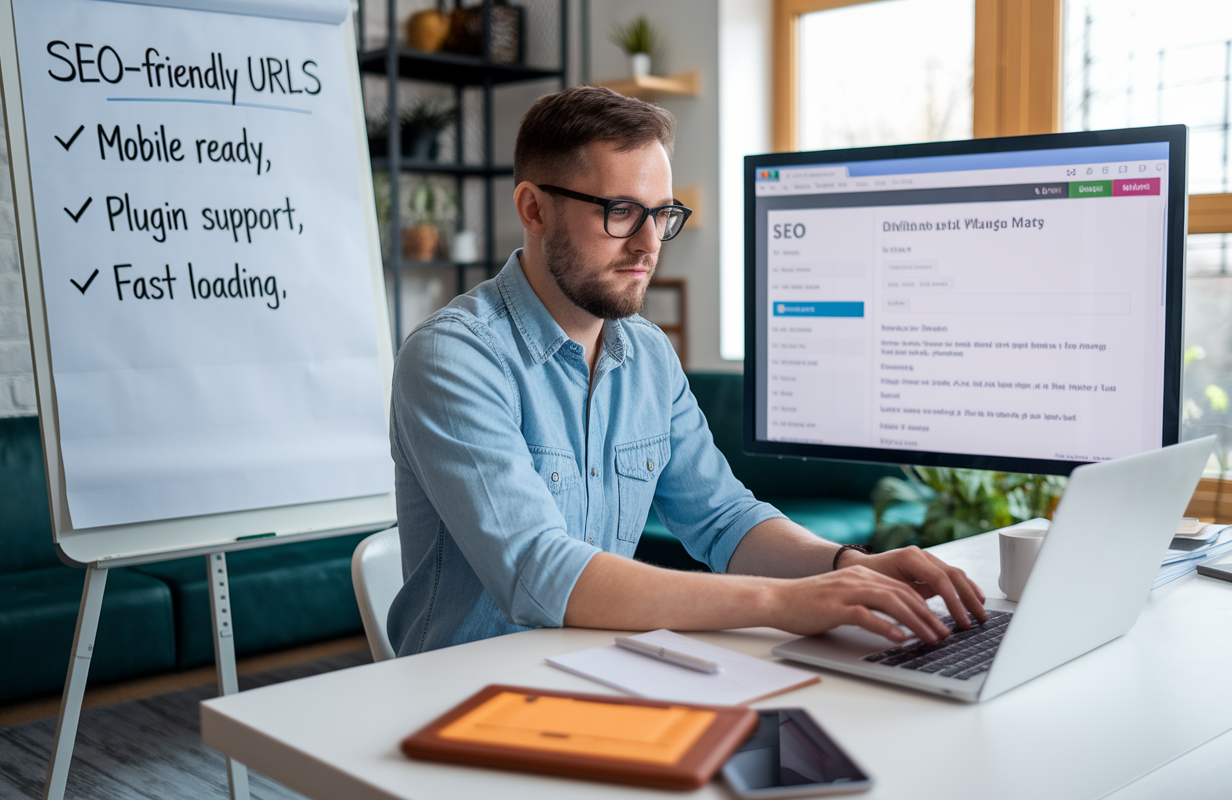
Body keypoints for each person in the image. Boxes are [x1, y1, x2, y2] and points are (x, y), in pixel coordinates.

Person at [386, 85, 987, 658]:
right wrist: (783, 602)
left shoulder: (649, 355)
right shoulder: (454, 357)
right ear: (533, 209)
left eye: (662, 214)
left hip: (599, 670)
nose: (649, 243)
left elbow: (723, 519)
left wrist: (848, 566)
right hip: (464, 693)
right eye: (622, 211)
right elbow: (538, 573)